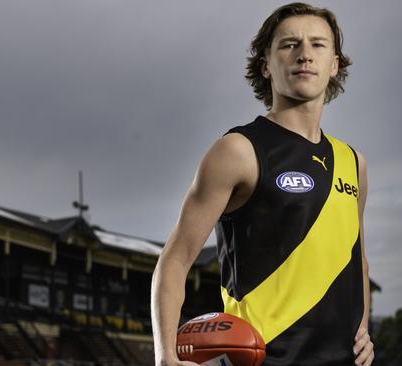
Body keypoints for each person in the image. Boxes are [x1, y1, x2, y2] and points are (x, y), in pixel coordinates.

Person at [151, 3, 374, 365]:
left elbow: (356, 259)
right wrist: (164, 356)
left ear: (334, 64)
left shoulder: (353, 162)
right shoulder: (237, 151)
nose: (304, 54)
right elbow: (175, 259)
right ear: (266, 65)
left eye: (318, 44)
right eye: (289, 44)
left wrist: (363, 327)